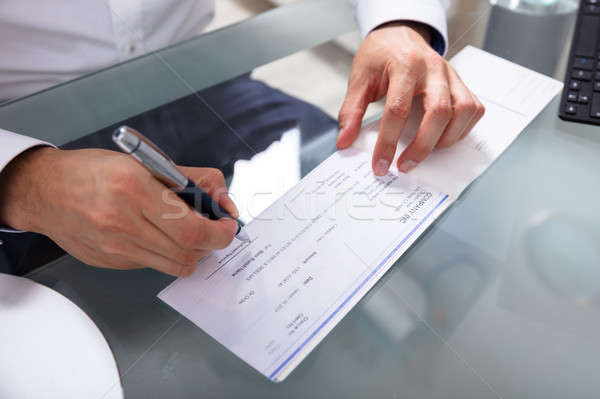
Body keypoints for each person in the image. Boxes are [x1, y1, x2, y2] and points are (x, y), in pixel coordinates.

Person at [0, 0, 484, 277]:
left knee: (366, 209)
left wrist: (398, 22)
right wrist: (27, 181)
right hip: (31, 131)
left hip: (206, 78)